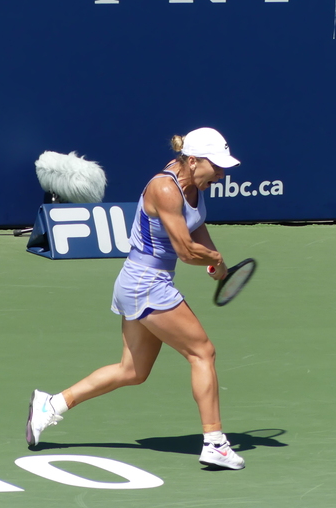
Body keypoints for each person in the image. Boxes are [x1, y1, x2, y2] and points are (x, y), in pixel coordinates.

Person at [25, 127, 246, 470]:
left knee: (132, 370)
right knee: (202, 352)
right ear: (191, 160)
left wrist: (214, 254)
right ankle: (215, 443)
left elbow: (196, 224)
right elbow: (186, 251)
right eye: (215, 166)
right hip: (146, 283)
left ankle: (51, 405)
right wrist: (214, 260)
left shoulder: (195, 184)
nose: (220, 173)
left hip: (140, 282)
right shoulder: (164, 188)